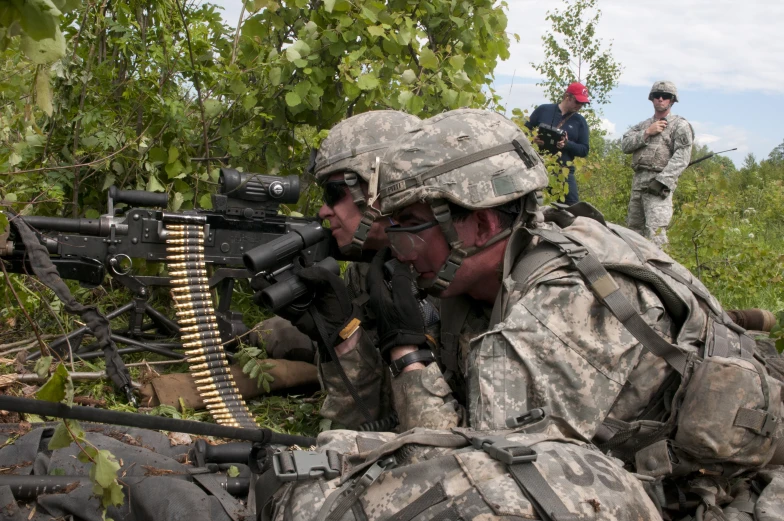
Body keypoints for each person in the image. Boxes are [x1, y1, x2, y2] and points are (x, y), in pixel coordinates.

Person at [355, 108, 783, 517]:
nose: (397, 246)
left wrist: (407, 353)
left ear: (483, 225)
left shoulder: (561, 303)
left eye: (409, 224)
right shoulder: (515, 255)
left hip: (708, 484)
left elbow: (470, 483)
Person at [251, 109, 431, 431]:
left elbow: (420, 427)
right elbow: (372, 408)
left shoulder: (447, 280)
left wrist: (367, 344)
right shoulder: (374, 267)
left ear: (384, 189)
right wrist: (340, 335)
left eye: (334, 194)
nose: (323, 210)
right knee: (273, 332)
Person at [622, 80, 694, 246]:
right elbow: (625, 145)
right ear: (651, 99)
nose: (660, 99)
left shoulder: (680, 126)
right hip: (638, 182)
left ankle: (660, 271)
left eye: (665, 96)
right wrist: (647, 133)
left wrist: (663, 181)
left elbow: (682, 156)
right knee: (633, 233)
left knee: (657, 234)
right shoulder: (644, 125)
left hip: (659, 184)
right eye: (656, 96)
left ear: (672, 100)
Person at [525, 81, 591, 205]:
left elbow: (584, 150)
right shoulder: (543, 110)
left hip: (564, 172)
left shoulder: (580, 121)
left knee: (572, 208)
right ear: (567, 97)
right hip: (538, 167)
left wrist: (567, 144)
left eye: (583, 103)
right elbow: (523, 132)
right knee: (533, 205)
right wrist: (533, 139)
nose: (580, 106)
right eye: (577, 101)